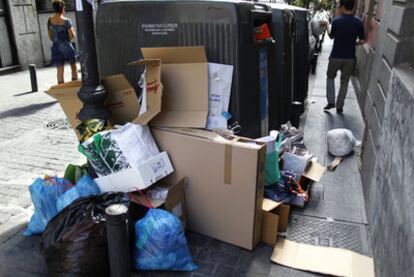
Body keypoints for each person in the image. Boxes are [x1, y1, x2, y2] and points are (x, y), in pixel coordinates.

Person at [324, 0, 365, 114]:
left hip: (336, 55)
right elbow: (362, 41)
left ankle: (331, 101)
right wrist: (353, 43)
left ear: (343, 7)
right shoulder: (359, 22)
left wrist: (327, 26)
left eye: (339, 6)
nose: (338, 8)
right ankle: (339, 106)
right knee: (345, 82)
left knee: (330, 77)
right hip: (350, 58)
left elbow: (331, 36)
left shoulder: (337, 21)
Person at [47, 0, 78, 84]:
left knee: (59, 70)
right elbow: (72, 35)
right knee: (73, 67)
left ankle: (61, 88)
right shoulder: (67, 21)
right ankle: (74, 86)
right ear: (62, 8)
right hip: (67, 46)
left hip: (56, 47)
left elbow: (50, 35)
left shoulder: (50, 20)